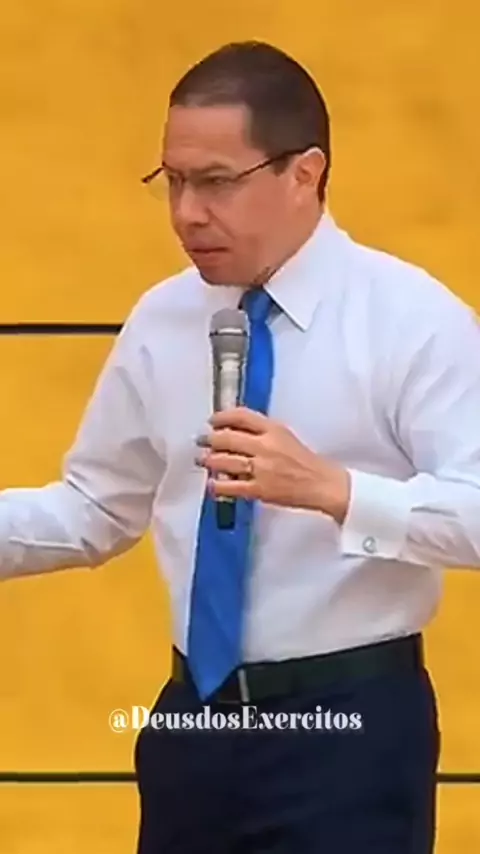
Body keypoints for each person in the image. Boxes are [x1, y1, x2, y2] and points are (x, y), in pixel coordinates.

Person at [1, 39, 480, 854]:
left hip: (350, 729)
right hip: (191, 726)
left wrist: (335, 490)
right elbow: (92, 509)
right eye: (173, 181)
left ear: (306, 174)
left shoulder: (413, 320)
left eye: (217, 182)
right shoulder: (163, 319)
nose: (187, 212)